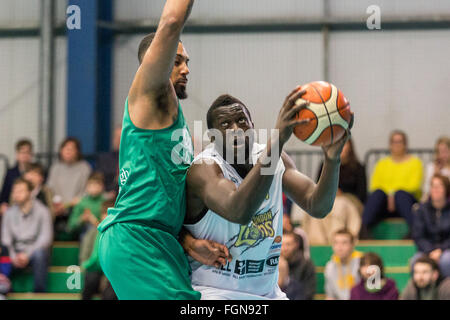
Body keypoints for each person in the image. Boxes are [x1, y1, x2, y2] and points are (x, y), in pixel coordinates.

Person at [97, 0, 229, 300]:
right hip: (136, 241)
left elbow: (162, 198)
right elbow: (171, 22)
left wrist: (188, 242)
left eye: (187, 62)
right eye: (177, 60)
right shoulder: (150, 89)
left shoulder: (171, 119)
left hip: (162, 241)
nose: (185, 69)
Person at [182, 91, 351, 299]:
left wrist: (332, 160)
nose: (236, 130)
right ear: (213, 137)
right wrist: (278, 139)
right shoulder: (204, 167)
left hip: (268, 294)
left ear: (252, 125)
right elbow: (238, 210)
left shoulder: (275, 159)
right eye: (225, 125)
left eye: (242, 121)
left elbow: (318, 206)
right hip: (215, 293)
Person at [360, 130, 423, 239]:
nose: (397, 145)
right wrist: (390, 197)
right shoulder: (381, 164)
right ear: (390, 145)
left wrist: (394, 195)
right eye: (394, 142)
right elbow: (375, 186)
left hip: (406, 203)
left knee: (401, 194)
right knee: (377, 194)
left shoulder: (415, 163)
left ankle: (414, 231)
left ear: (405, 144)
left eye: (400, 141)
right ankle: (363, 230)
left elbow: (414, 186)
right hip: (385, 204)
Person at [1, 178, 53, 292]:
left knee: (40, 254)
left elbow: (45, 238)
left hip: (34, 252)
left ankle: (39, 293)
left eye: (20, 191)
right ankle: (5, 291)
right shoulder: (9, 213)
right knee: (3, 251)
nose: (16, 194)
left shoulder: (43, 211)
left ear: (30, 192)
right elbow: (6, 240)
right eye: (14, 191)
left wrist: (27, 255)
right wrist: (14, 256)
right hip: (15, 252)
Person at [47, 137, 92, 237]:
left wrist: (71, 203)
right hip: (57, 208)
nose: (68, 151)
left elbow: (87, 191)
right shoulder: (55, 168)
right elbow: (49, 190)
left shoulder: (84, 167)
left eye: (71, 148)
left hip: (76, 207)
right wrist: (56, 204)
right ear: (61, 150)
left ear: (77, 152)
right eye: (65, 148)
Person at [411, 174, 450, 277]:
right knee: (415, 262)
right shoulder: (422, 210)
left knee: (446, 261)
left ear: (446, 189)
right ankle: (418, 293)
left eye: (439, 186)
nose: (435, 189)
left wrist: (440, 250)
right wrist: (430, 250)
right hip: (426, 250)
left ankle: (445, 291)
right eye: (433, 186)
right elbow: (418, 235)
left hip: (447, 250)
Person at [79, 199, 117, 300]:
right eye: (106, 213)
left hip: (112, 273)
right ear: (102, 215)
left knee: (111, 291)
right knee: (91, 279)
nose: (108, 217)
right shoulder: (93, 233)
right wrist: (85, 265)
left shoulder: (118, 234)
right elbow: (86, 256)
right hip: (94, 269)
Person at [293, 194, 361, 245]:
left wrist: (350, 237)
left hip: (339, 239)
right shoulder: (312, 201)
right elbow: (305, 223)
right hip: (316, 243)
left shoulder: (344, 203)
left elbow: (354, 223)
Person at [316, 138, 367, 206]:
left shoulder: (358, 168)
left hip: (351, 202)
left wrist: (343, 195)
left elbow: (362, 194)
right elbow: (318, 189)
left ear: (350, 147)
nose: (340, 147)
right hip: (330, 200)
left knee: (340, 205)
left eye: (344, 144)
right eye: (336, 144)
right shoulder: (325, 166)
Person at [324, 229, 362, 300]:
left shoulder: (362, 263)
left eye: (344, 243)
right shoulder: (330, 267)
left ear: (352, 245)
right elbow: (330, 296)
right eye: (336, 243)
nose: (339, 247)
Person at [67, 172, 106, 241]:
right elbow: (71, 226)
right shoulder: (81, 203)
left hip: (102, 235)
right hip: (84, 235)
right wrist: (82, 219)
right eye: (91, 185)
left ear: (102, 186)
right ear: (86, 187)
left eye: (97, 185)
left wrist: (94, 220)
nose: (93, 187)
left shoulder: (105, 203)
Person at [0, 139, 34, 215]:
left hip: (32, 208)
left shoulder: (36, 172)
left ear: (31, 154)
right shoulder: (10, 173)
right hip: (13, 208)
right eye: (22, 152)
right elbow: (4, 194)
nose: (25, 155)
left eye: (27, 152)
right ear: (17, 155)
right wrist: (3, 205)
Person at [281, 231, 316, 300]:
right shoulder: (275, 265)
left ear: (296, 245)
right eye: (282, 245)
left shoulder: (306, 265)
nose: (285, 248)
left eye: (288, 244)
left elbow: (309, 293)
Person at [96, 127, 121, 199]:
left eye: (122, 137)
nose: (119, 140)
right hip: (106, 198)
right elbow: (97, 180)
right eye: (117, 137)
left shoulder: (135, 159)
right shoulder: (104, 159)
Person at [422, 136, 450, 201]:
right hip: (433, 199)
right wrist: (435, 175)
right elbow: (426, 190)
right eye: (439, 151)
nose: (442, 155)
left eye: (445, 151)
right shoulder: (431, 167)